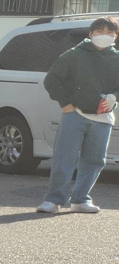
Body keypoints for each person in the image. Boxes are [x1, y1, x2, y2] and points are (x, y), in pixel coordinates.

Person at [37, 15, 119, 215]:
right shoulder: (74, 54)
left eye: (110, 32)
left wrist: (114, 97)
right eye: (100, 31)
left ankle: (81, 200)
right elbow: (52, 80)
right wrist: (65, 104)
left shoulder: (116, 59)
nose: (104, 36)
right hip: (75, 115)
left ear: (116, 36)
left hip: (103, 118)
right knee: (64, 158)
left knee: (95, 160)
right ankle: (53, 200)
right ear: (91, 34)